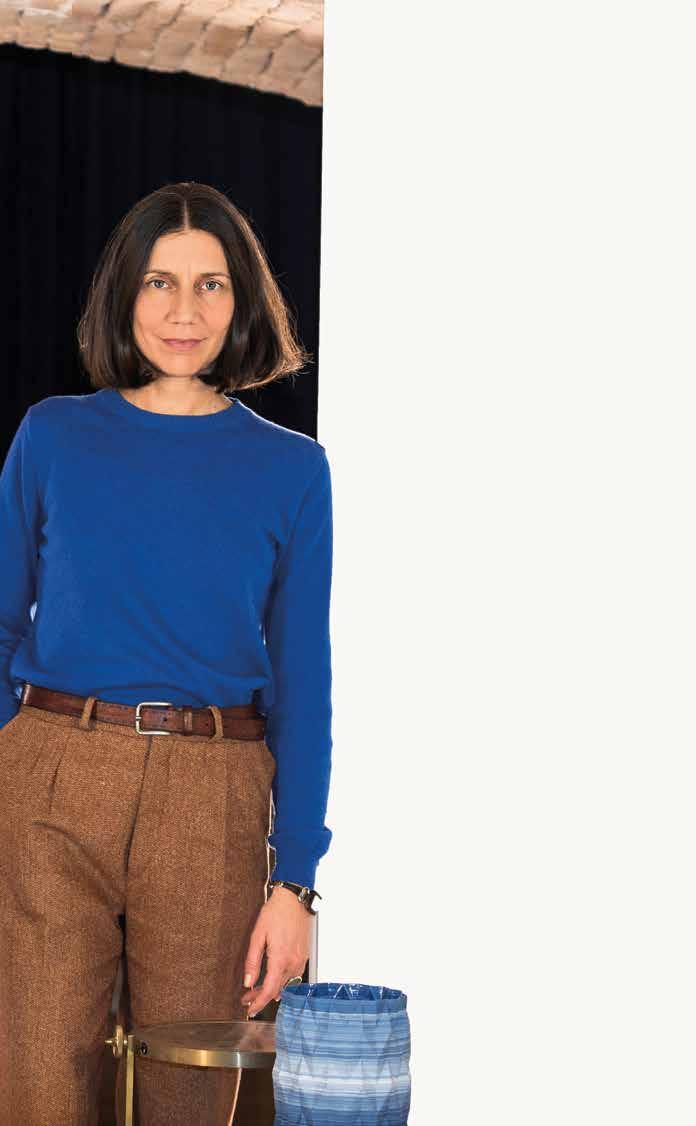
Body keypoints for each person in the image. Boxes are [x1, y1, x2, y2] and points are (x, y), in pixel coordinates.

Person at [0, 182, 334, 1124]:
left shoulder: (291, 468)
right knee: (36, 1085)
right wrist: (16, 753)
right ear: (125, 293)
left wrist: (295, 881)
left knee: (192, 1093)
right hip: (53, 776)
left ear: (241, 302)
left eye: (210, 284)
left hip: (212, 791)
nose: (184, 310)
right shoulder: (54, 435)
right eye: (159, 282)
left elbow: (304, 681)